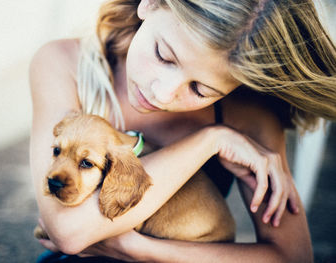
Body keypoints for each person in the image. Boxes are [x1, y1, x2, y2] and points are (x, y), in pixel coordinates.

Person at [30, 0, 336, 262]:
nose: (162, 94)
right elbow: (67, 233)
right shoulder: (64, 64)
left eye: (201, 89)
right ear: (150, 2)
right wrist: (212, 139)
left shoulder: (248, 115)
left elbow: (292, 256)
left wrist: (139, 250)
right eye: (164, 55)